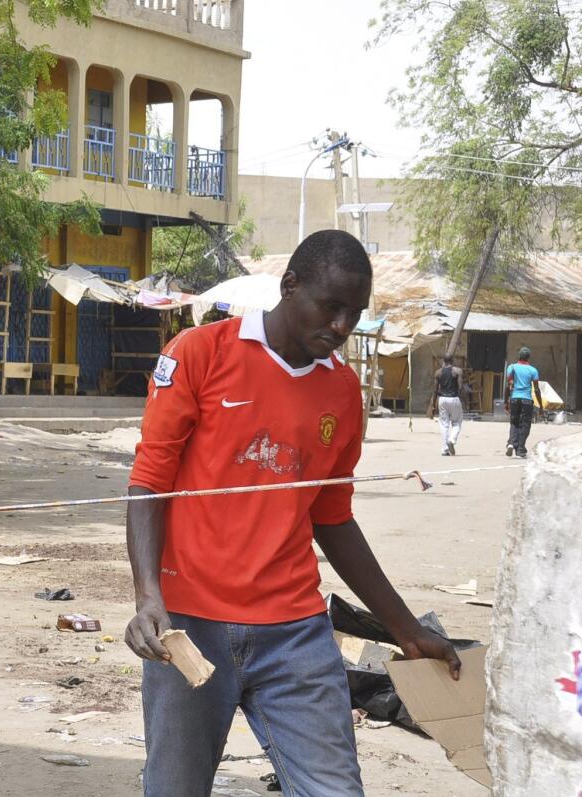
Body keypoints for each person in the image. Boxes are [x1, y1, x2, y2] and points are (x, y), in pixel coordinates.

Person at [124, 230, 461, 797]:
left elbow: (333, 518)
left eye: (352, 313)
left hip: (295, 634)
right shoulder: (200, 353)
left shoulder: (342, 392)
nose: (340, 327)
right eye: (331, 307)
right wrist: (148, 598)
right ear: (289, 285)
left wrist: (405, 630)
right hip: (190, 625)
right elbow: (149, 481)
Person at [505, 346, 542, 458]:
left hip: (515, 399)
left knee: (514, 422)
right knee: (525, 425)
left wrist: (506, 402)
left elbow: (508, 386)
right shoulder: (533, 370)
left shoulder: (512, 368)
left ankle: (511, 443)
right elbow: (536, 389)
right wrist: (541, 406)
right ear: (528, 358)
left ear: (519, 356)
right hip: (527, 400)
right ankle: (520, 450)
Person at [433, 353, 464, 456]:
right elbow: (460, 387)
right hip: (454, 398)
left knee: (444, 424)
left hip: (442, 399)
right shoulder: (457, 371)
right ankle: (451, 440)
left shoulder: (438, 372)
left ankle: (445, 449)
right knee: (456, 423)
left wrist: (433, 403)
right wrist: (461, 400)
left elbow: (435, 390)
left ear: (444, 361)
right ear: (452, 360)